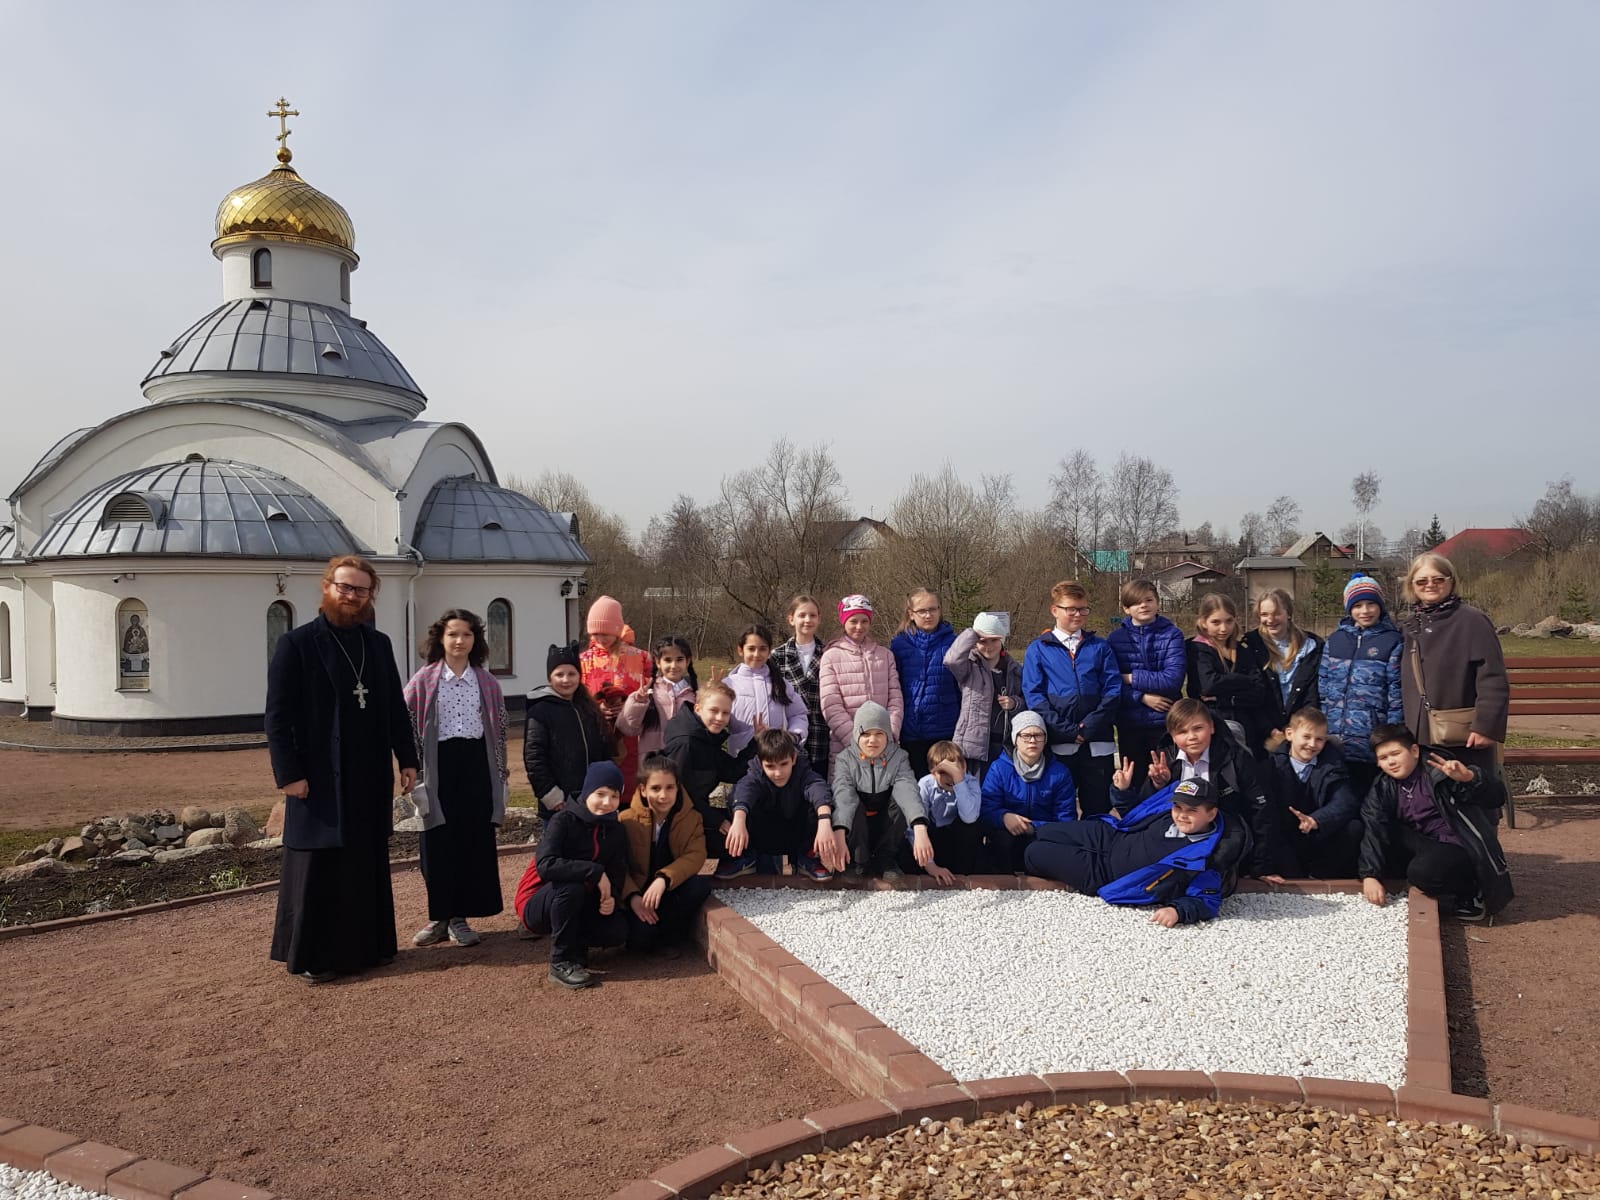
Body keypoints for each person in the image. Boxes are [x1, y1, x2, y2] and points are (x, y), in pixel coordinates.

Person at [265, 555, 418, 984]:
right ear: (327, 587)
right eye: (344, 587)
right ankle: (316, 956)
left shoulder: (378, 644)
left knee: (364, 860)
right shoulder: (297, 644)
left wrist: (407, 758)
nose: (351, 596)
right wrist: (288, 774)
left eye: (360, 590)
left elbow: (394, 708)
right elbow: (277, 716)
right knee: (320, 865)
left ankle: (369, 948)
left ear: (370, 595)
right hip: (318, 773)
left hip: (368, 771)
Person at [403, 608, 508, 950]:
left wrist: (501, 774)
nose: (459, 640)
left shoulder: (487, 682)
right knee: (436, 842)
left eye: (466, 634)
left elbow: (499, 731)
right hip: (438, 767)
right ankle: (439, 917)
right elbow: (406, 722)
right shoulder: (423, 680)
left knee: (471, 841)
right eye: (453, 634)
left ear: (475, 639)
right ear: (441, 638)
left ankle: (459, 918)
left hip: (476, 765)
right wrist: (412, 767)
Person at [1023, 778, 1248, 926]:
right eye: (1178, 807)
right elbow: (1136, 813)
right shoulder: (1167, 814)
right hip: (1111, 836)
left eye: (1192, 811)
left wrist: (1178, 911)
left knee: (1034, 853)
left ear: (1211, 814)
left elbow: (1207, 901)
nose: (1181, 815)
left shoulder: (1208, 857)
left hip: (1105, 873)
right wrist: (1121, 792)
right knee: (1042, 830)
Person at [1108, 698, 1288, 881]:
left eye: (1198, 728)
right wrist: (1158, 785)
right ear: (1172, 736)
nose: (1192, 737)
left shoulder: (1235, 758)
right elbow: (1147, 813)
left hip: (1225, 838)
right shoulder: (1166, 760)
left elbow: (1261, 811)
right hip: (1177, 839)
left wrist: (1262, 867)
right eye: (1182, 731)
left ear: (1212, 727)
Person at [1357, 724, 1513, 921]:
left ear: (1414, 751)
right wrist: (1370, 875)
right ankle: (1419, 886)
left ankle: (1470, 893)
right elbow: (1374, 828)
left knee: (1422, 872)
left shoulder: (1440, 770)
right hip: (1423, 842)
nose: (1391, 762)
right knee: (1373, 833)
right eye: (1383, 758)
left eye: (1395, 754)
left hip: (1458, 843)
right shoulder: (1382, 786)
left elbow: (1497, 797)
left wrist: (1469, 778)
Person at [1400, 553, 1510, 812]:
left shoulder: (1471, 621)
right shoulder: (1409, 626)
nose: (1430, 585)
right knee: (1430, 807)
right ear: (1412, 586)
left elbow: (1492, 677)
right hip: (1419, 734)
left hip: (1464, 734)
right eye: (1422, 581)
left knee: (1472, 803)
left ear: (1451, 581)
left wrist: (1486, 726)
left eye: (1438, 579)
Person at [514, 762, 631, 989]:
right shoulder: (562, 820)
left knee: (617, 931)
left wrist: (611, 898)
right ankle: (560, 961)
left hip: (580, 900)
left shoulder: (616, 830)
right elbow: (546, 865)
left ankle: (576, 946)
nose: (607, 802)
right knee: (572, 887)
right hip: (537, 899)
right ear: (587, 792)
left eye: (614, 796)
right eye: (600, 794)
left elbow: (617, 871)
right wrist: (594, 871)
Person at [1022, 580, 1121, 816]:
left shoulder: (1100, 647)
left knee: (1098, 809)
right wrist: (1065, 729)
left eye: (1083, 609)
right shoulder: (1038, 649)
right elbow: (1034, 695)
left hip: (1097, 741)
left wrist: (1090, 725)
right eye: (1071, 609)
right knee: (1059, 810)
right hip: (1059, 742)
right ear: (1055, 610)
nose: (1078, 614)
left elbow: (1113, 689)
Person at [619, 755, 714, 957]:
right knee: (640, 940)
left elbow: (696, 855)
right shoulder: (625, 820)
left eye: (669, 788)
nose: (663, 795)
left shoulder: (692, 818)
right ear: (643, 790)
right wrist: (632, 896)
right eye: (655, 788)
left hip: (669, 888)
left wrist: (664, 878)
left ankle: (669, 936)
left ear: (678, 788)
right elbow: (616, 865)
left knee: (698, 885)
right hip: (638, 894)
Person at [1318, 575, 1403, 798]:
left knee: (1371, 799)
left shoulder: (1392, 641)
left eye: (1370, 604)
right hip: (1336, 740)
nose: (1365, 611)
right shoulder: (1335, 640)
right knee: (1339, 798)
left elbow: (1395, 692)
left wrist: (1391, 734)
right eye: (1357, 605)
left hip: (1370, 740)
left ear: (1380, 606)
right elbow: (1323, 687)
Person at [828, 701, 930, 880]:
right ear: (857, 734)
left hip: (885, 823)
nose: (872, 740)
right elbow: (844, 796)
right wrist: (839, 830)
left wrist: (919, 826)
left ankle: (885, 859)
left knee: (901, 803)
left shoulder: (899, 757)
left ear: (887, 734)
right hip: (858, 827)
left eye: (879, 734)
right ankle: (858, 860)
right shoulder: (845, 759)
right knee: (852, 804)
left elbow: (907, 789)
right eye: (866, 734)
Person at [1105, 580, 1186, 794]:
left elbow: (1172, 680)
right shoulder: (1114, 639)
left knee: (1167, 780)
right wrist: (1141, 697)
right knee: (1135, 783)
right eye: (1136, 602)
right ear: (1126, 608)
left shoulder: (1172, 635)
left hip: (1165, 722)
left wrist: (1129, 677)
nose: (1143, 605)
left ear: (1157, 603)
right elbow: (1110, 683)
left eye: (1149, 600)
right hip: (1130, 723)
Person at [722, 728, 837, 880]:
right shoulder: (755, 773)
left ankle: (806, 857)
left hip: (795, 831)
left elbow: (817, 787)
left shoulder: (802, 770)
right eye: (770, 766)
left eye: (783, 764)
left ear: (793, 759)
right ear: (761, 763)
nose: (778, 773)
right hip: (764, 832)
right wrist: (738, 820)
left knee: (822, 803)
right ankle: (747, 856)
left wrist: (824, 821)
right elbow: (746, 788)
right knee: (738, 802)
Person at [1262, 707, 1362, 879]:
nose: (1312, 744)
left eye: (1319, 739)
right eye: (1306, 737)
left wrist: (1316, 819)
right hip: (1284, 836)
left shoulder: (1333, 764)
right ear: (1290, 734)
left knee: (1354, 828)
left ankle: (1322, 875)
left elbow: (1345, 801)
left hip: (1319, 833)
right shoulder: (1271, 765)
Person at [663, 680, 753, 862]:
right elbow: (678, 794)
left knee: (747, 823)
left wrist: (756, 742)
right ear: (698, 709)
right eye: (714, 711)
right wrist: (717, 821)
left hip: (696, 810)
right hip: (675, 819)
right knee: (737, 839)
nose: (720, 718)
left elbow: (732, 772)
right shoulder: (686, 743)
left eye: (725, 713)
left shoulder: (706, 738)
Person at [523, 642, 611, 823]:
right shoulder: (540, 711)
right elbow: (534, 757)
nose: (566, 680)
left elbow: (603, 749)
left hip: (591, 799)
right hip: (559, 804)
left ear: (579, 675)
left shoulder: (588, 708)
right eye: (559, 674)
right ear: (550, 677)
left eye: (571, 674)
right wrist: (550, 795)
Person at [979, 710, 1076, 872]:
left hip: (1043, 835)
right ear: (1015, 739)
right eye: (1026, 735)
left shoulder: (1059, 772)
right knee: (1002, 841)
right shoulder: (999, 768)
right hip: (1007, 833)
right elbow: (986, 807)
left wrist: (1034, 827)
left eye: (1038, 735)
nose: (1032, 741)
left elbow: (1066, 819)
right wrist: (1004, 817)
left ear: (1045, 739)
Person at [580, 596, 651, 798]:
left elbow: (651, 691)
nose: (601, 639)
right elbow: (578, 698)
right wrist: (597, 708)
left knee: (631, 787)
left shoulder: (641, 658)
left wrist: (631, 706)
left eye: (605, 633)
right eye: (595, 634)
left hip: (632, 735)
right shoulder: (583, 661)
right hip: (597, 733)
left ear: (617, 629)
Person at [819, 594, 903, 759]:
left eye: (864, 621)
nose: (859, 626)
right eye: (853, 621)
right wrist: (857, 741)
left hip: (884, 747)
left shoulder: (885, 655)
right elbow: (831, 706)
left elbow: (895, 699)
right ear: (844, 622)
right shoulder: (831, 656)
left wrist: (889, 735)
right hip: (847, 747)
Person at [942, 611, 1022, 783]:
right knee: (976, 791)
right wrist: (973, 633)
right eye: (983, 641)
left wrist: (1014, 703)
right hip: (974, 746)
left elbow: (1025, 700)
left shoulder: (1014, 669)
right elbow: (951, 660)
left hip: (1005, 745)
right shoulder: (969, 667)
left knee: (1000, 790)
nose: (989, 646)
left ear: (1002, 640)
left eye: (994, 640)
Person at [1186, 592, 1272, 752]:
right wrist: (1244, 681)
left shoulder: (1243, 651)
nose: (1223, 628)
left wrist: (1225, 698)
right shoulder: (1197, 649)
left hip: (1246, 728)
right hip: (1212, 726)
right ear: (1203, 622)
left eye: (1229, 621)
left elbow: (1259, 692)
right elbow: (1208, 685)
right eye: (1216, 622)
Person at [890, 589, 961, 777]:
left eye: (933, 609)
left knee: (945, 783)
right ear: (911, 614)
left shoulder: (954, 643)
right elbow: (894, 686)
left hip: (944, 729)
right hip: (911, 732)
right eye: (922, 611)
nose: (928, 615)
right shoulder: (899, 644)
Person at [1243, 589, 1323, 744]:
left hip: (1302, 732)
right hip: (1263, 731)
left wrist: (1300, 728)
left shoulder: (1312, 646)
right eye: (1264, 614)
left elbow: (1312, 693)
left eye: (1276, 613)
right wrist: (1270, 730)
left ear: (1288, 613)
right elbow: (1251, 693)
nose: (1270, 619)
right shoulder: (1250, 645)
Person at [723, 623, 810, 755]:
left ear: (769, 651)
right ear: (740, 650)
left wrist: (792, 737)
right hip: (740, 757)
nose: (756, 654)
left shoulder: (781, 684)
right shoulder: (729, 685)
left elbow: (798, 714)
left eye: (762, 649)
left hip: (777, 758)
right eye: (751, 649)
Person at [770, 594, 831, 778]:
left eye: (812, 615)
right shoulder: (777, 656)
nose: (807, 620)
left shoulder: (829, 654)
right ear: (791, 619)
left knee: (818, 788)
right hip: (788, 737)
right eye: (802, 615)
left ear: (819, 619)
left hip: (821, 736)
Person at [616, 635, 699, 761]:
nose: (673, 665)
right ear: (658, 662)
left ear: (687, 661)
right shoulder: (647, 693)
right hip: (652, 763)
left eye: (679, 659)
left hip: (686, 761)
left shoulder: (695, 694)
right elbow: (627, 728)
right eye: (668, 660)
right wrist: (638, 703)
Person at [916, 740, 982, 880]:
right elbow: (916, 825)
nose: (950, 777)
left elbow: (969, 817)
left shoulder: (970, 782)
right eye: (943, 773)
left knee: (972, 827)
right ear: (932, 772)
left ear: (964, 767)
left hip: (958, 837)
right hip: (933, 837)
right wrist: (930, 865)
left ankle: (964, 875)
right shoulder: (925, 784)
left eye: (954, 771)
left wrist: (959, 780)